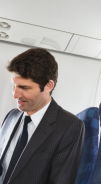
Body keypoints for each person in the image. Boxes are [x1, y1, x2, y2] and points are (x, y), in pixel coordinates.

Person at [0, 48, 85, 184]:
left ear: (48, 86)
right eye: (14, 86)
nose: (15, 95)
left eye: (24, 88)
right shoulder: (11, 116)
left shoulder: (69, 126)